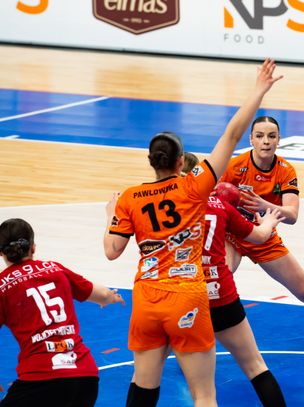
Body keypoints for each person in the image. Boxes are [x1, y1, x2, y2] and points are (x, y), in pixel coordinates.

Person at [103, 59, 282, 407]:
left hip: (147, 298)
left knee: (143, 387)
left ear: (151, 161)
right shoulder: (194, 187)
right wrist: (259, 90)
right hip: (186, 297)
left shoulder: (129, 198)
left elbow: (112, 251)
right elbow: (232, 135)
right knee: (205, 395)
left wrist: (111, 216)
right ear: (180, 161)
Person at [220, 116, 304, 348]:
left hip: (264, 236)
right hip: (232, 235)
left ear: (278, 140)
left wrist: (264, 205)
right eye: (260, 136)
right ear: (251, 139)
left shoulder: (285, 170)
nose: (266, 141)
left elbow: (292, 216)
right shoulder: (234, 166)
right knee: (215, 283)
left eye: (271, 136)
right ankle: (191, 337)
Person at [183, 153, 288, 406]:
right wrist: (269, 220)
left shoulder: (166, 206)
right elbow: (260, 236)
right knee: (256, 366)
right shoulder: (220, 206)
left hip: (183, 296)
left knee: (191, 389)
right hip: (220, 293)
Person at [0, 218, 124, 407]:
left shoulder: (3, 285)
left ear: (2, 252)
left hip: (40, 378)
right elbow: (103, 294)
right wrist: (112, 298)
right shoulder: (55, 269)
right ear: (33, 247)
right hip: (85, 377)